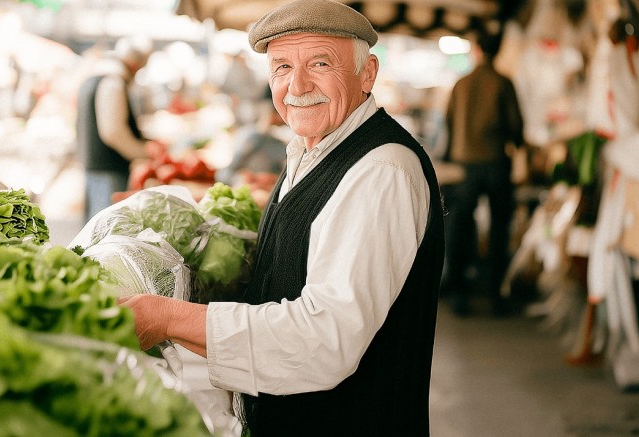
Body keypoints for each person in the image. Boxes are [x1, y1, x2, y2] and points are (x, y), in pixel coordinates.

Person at [119, 1, 445, 435]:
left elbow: (325, 340)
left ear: (367, 74)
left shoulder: (380, 170)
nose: (298, 84)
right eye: (282, 67)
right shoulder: (313, 148)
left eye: (320, 63)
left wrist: (167, 318)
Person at [440, 30, 525, 316]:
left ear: (476, 50)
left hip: (464, 163)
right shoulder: (503, 83)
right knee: (499, 228)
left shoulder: (461, 84)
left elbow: (449, 122)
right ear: (498, 50)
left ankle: (459, 293)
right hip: (495, 161)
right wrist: (518, 145)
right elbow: (516, 126)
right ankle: (495, 295)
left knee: (461, 226)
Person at [77, 36, 153, 222]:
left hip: (93, 166)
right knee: (106, 226)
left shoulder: (93, 78)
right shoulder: (113, 82)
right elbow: (113, 132)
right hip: (109, 169)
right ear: (134, 64)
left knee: (95, 225)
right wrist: (143, 152)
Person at [216, 87, 290, 187]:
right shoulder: (253, 137)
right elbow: (223, 174)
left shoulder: (289, 143)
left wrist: (274, 180)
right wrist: (243, 179)